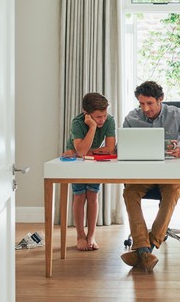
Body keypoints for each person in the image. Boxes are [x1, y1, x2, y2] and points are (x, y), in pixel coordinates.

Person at [120, 81, 180, 272]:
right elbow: (121, 149)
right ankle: (144, 249)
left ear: (161, 99)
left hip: (172, 173)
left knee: (173, 189)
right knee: (129, 192)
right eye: (141, 104)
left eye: (149, 103)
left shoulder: (177, 114)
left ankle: (144, 248)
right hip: (143, 173)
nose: (145, 108)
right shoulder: (132, 118)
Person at [61, 92, 116, 251]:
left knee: (93, 195)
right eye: (98, 117)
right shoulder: (77, 123)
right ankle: (80, 236)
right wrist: (92, 127)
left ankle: (91, 235)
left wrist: (83, 151)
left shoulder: (109, 120)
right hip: (76, 163)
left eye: (104, 115)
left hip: (91, 161)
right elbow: (81, 153)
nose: (102, 120)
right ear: (87, 113)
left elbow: (110, 148)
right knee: (79, 196)